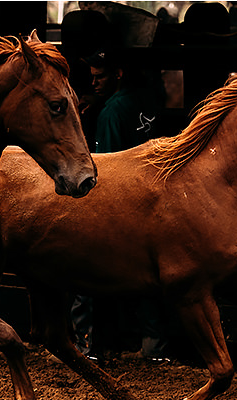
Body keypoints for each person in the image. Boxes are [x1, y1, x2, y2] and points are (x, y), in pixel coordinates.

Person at [70, 50, 169, 361]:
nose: (94, 82)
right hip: (152, 197)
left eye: (100, 76)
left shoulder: (112, 111)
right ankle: (155, 349)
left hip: (119, 202)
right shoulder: (149, 99)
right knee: (151, 276)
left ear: (119, 73)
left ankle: (89, 347)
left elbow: (106, 165)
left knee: (86, 272)